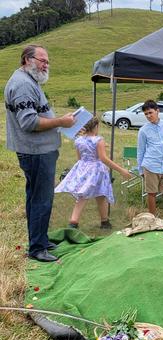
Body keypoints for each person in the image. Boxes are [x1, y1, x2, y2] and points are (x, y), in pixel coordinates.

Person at [4, 44, 75, 262]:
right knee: (41, 200)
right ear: (27, 59)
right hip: (35, 152)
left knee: (37, 198)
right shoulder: (23, 84)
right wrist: (61, 121)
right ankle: (37, 248)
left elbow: (37, 115)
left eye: (47, 61)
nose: (46, 65)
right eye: (42, 60)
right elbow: (29, 122)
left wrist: (61, 121)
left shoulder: (28, 81)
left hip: (38, 151)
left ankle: (40, 240)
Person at [55, 116, 132, 229]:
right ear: (96, 126)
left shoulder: (79, 140)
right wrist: (121, 170)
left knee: (90, 194)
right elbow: (103, 158)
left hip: (83, 168)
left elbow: (79, 158)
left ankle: (87, 221)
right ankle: (93, 222)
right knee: (96, 195)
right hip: (97, 170)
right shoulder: (98, 140)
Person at [137, 100, 163, 218]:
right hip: (150, 166)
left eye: (150, 112)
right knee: (152, 194)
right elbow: (140, 151)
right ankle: (152, 220)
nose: (149, 116)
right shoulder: (143, 130)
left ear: (157, 111)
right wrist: (141, 170)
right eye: (146, 114)